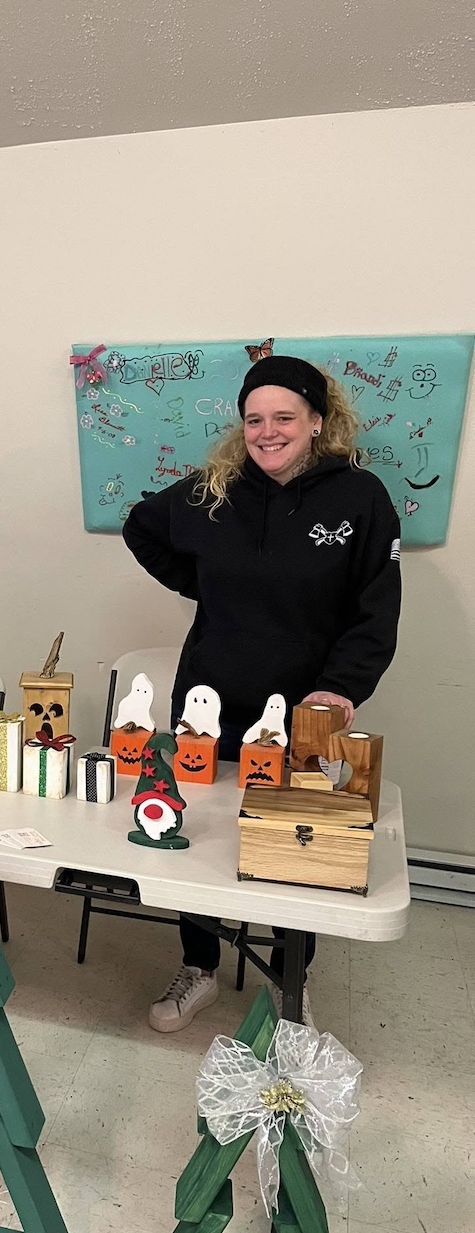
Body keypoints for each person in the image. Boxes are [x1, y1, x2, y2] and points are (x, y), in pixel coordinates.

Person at [123, 355, 401, 1032]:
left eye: (284, 417)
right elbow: (142, 527)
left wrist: (341, 688)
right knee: (191, 830)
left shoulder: (360, 498)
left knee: (294, 840)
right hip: (209, 700)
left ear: (317, 421)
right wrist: (206, 586)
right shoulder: (215, 490)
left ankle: (288, 980)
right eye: (254, 419)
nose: (267, 432)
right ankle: (199, 966)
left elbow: (376, 610)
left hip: (304, 711)